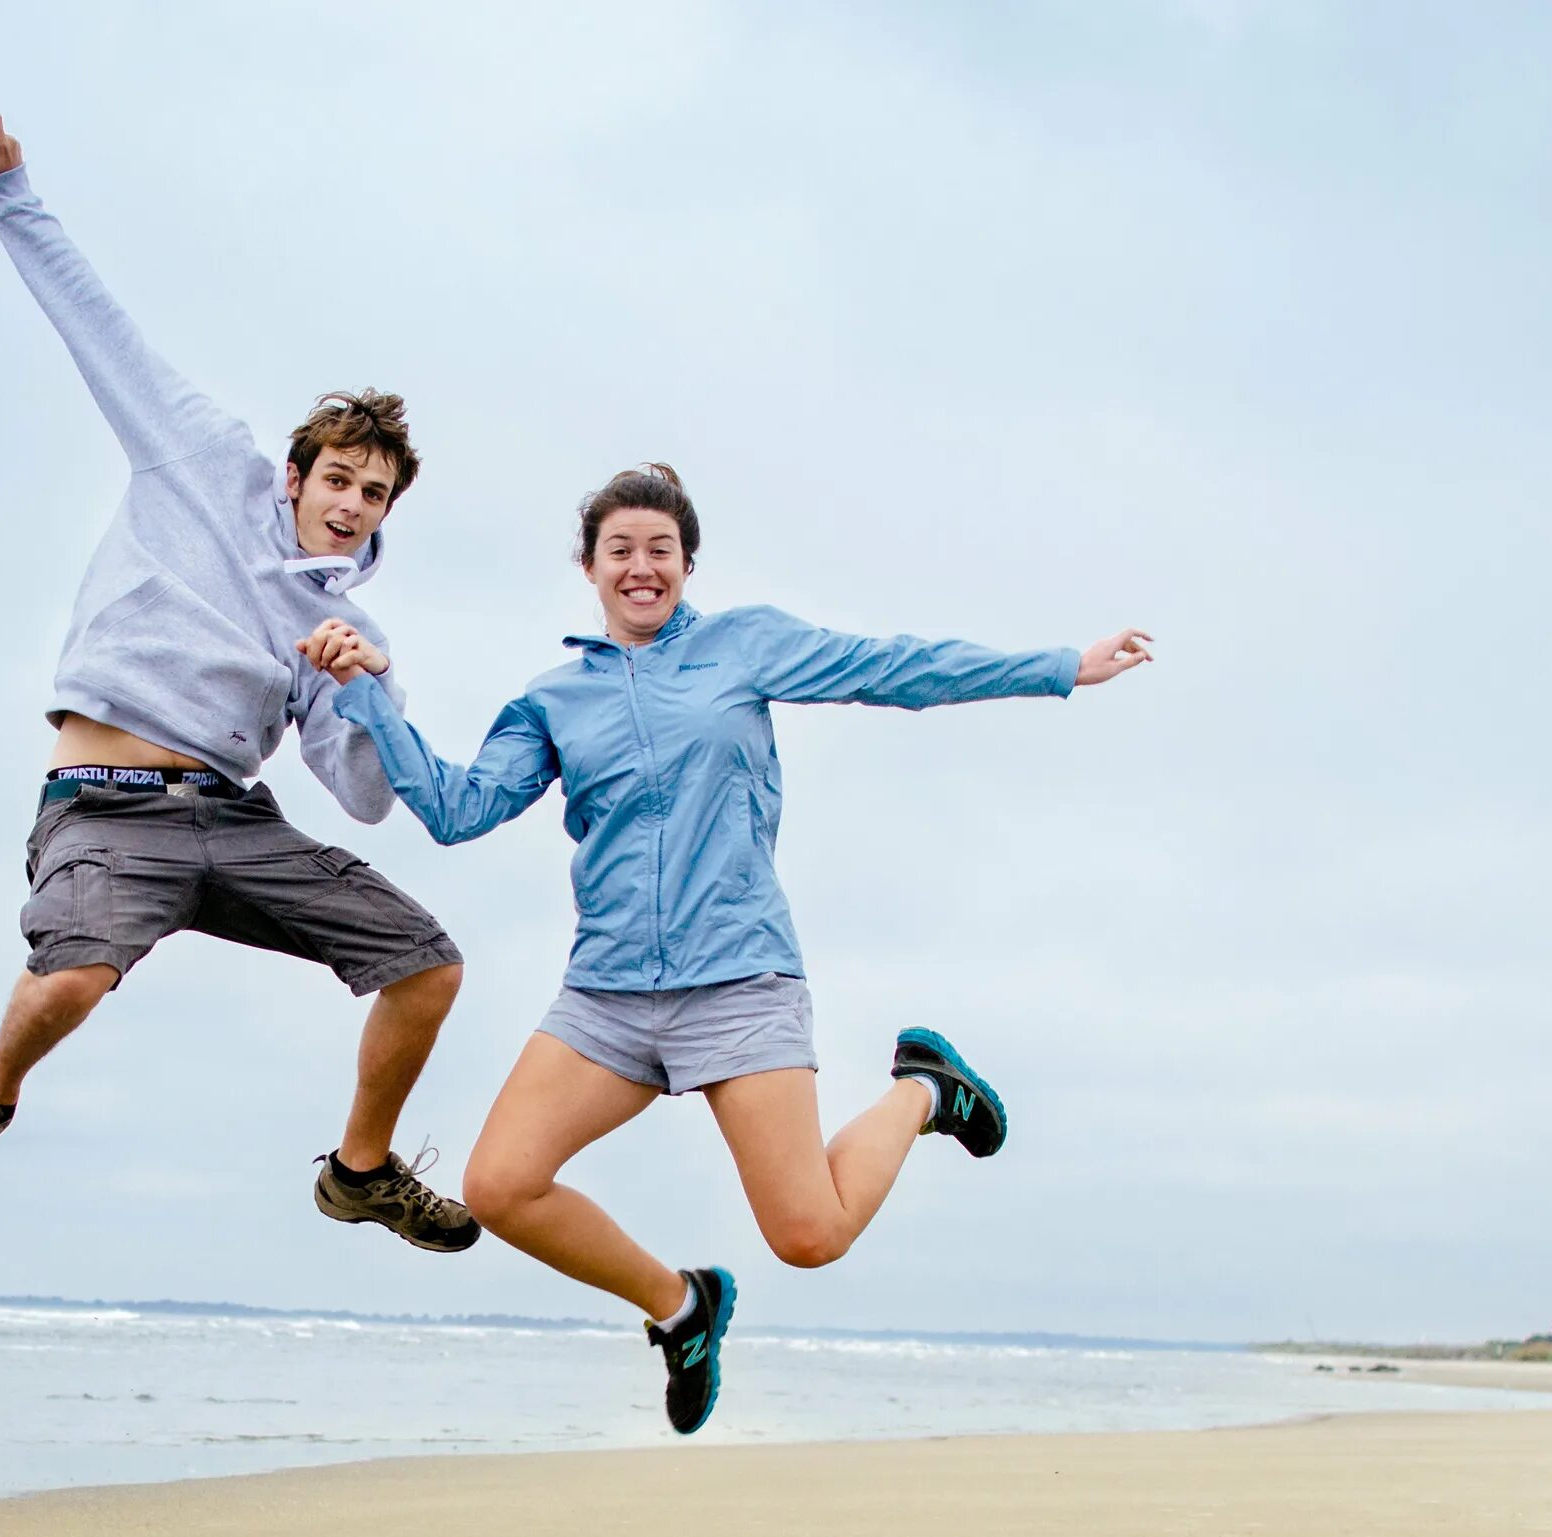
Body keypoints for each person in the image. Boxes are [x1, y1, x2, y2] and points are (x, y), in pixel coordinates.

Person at [301, 463, 1151, 1431]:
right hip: (607, 995)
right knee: (499, 1184)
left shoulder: (744, 646)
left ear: (687, 562)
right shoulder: (552, 700)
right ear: (589, 568)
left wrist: (1058, 666)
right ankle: (682, 1307)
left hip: (739, 977)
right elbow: (458, 810)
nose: (641, 567)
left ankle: (925, 1090)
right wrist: (367, 696)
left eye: (659, 549)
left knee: (810, 1235)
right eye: (619, 549)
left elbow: (896, 668)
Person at [0, 107, 477, 1253]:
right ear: (296, 470)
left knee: (427, 964)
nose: (353, 503)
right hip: (106, 805)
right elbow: (102, 332)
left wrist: (367, 689)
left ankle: (361, 1174)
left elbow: (363, 796)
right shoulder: (203, 461)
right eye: (341, 479)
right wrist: (12, 193)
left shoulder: (341, 627)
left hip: (233, 818)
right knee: (71, 983)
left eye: (375, 494)